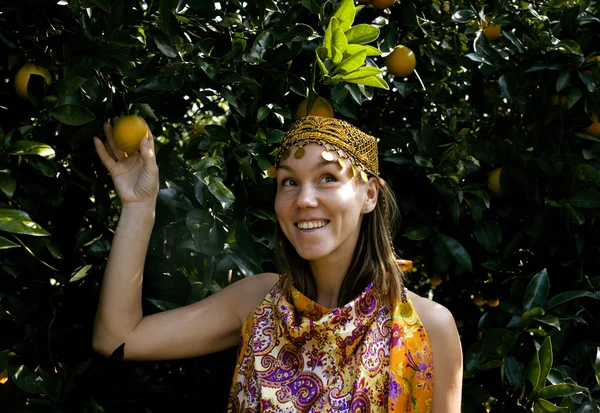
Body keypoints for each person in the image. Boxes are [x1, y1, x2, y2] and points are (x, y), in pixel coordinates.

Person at [92, 115, 463, 412]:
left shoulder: (428, 328)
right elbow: (118, 339)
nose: (303, 199)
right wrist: (138, 207)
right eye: (288, 182)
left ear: (369, 195)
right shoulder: (259, 302)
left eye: (327, 178)